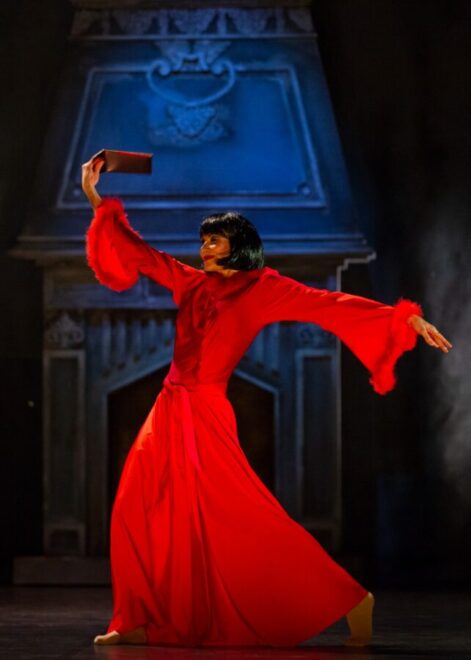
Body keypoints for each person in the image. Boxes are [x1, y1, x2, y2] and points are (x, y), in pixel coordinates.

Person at [81, 156, 451, 648]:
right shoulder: (192, 283)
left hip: (207, 412)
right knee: (134, 506)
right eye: (203, 240)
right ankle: (135, 617)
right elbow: (142, 254)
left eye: (214, 240)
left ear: (238, 245)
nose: (204, 248)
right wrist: (96, 200)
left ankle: (350, 598)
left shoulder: (264, 289)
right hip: (168, 408)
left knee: (241, 518)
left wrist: (403, 319)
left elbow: (328, 304)